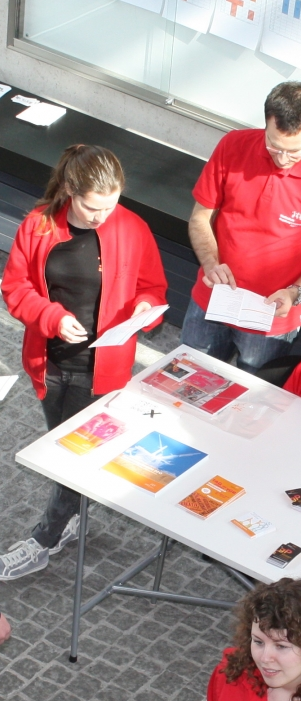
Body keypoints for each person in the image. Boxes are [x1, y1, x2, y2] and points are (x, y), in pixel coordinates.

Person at [0, 144, 167, 581]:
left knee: (70, 459)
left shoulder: (132, 227)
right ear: (71, 191)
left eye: (111, 206)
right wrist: (53, 318)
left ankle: (46, 537)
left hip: (103, 371)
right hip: (51, 363)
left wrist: (144, 308)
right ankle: (71, 516)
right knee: (62, 445)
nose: (102, 217)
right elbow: (16, 289)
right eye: (94, 208)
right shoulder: (37, 227)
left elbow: (154, 287)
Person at [182, 81, 301, 373]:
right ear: (265, 123)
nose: (283, 159)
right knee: (185, 381)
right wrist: (211, 262)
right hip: (212, 300)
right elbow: (200, 217)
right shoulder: (233, 146)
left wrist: (296, 292)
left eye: (295, 151)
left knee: (255, 408)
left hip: (271, 318)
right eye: (274, 146)